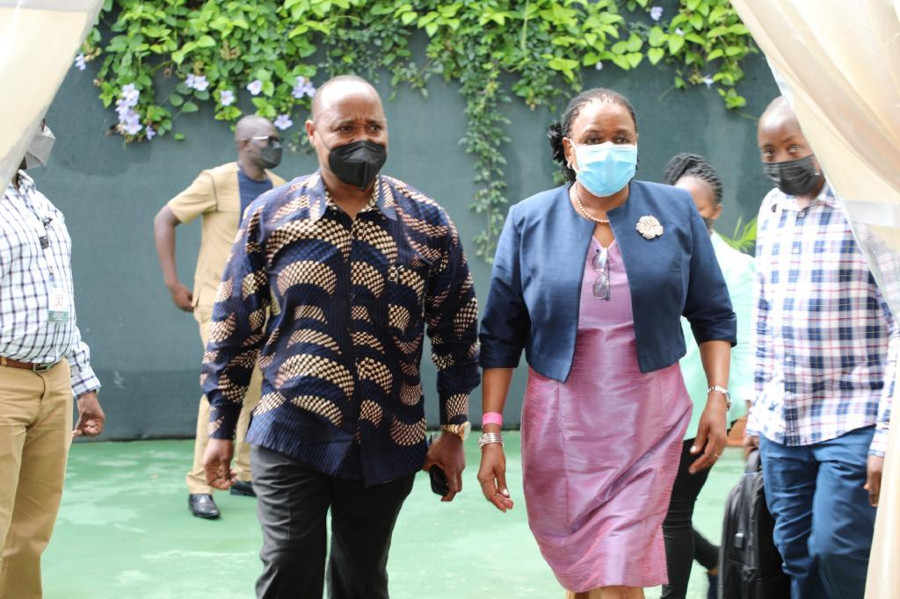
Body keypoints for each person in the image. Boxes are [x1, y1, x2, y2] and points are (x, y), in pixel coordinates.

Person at [201, 75, 479, 598]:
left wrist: (454, 430)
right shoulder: (271, 217)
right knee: (288, 565)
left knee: (361, 577)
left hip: (386, 434)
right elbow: (235, 325)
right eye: (345, 127)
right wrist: (221, 426)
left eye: (374, 126)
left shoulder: (428, 223)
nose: (363, 138)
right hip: (291, 429)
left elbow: (456, 329)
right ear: (312, 132)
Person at [477, 88, 736, 599]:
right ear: (569, 150)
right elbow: (500, 336)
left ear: (638, 146)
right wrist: (488, 434)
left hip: (647, 421)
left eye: (622, 138)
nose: (608, 148)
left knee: (617, 568)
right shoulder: (529, 220)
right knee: (588, 576)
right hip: (562, 425)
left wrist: (717, 396)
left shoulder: (676, 211)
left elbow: (713, 314)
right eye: (593, 139)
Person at [745, 96, 897, 598]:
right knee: (794, 552)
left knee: (839, 548)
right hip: (785, 422)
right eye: (769, 151)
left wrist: (886, 437)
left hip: (853, 417)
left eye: (793, 146)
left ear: (821, 143)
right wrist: (757, 407)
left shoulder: (866, 211)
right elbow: (764, 314)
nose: (782, 160)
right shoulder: (771, 211)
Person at [153, 115, 285, 519]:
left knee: (257, 384)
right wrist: (173, 283)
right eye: (269, 140)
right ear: (245, 143)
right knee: (223, 386)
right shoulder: (216, 181)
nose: (277, 146)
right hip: (216, 302)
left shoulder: (281, 190)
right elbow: (165, 218)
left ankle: (242, 472)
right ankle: (200, 482)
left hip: (262, 307)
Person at [0, 121, 105, 598]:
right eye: (34, 119)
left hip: (54, 383)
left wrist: (83, 384)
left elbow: (61, 300)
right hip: (5, 382)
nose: (44, 130)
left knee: (30, 532)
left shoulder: (37, 200)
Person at [660, 153, 756, 599]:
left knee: (672, 512)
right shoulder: (649, 255)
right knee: (653, 510)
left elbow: (747, 345)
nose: (689, 221)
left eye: (698, 213)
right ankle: (715, 560)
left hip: (702, 411)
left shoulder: (738, 270)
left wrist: (732, 410)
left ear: (716, 211)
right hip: (646, 408)